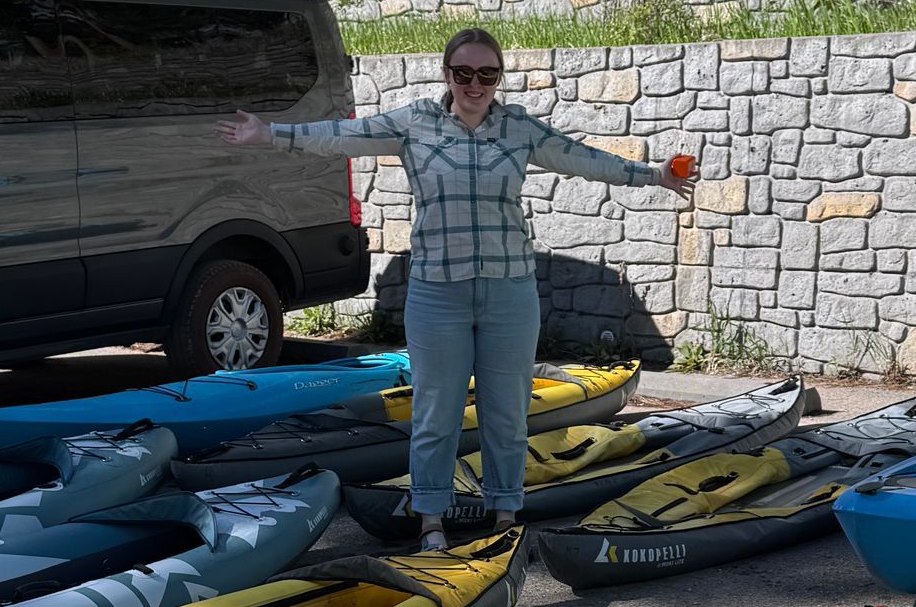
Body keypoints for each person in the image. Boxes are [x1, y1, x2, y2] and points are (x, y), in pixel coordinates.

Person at [220, 29, 693, 549]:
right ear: (446, 74)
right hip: (437, 295)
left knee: (507, 413)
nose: (475, 84)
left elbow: (580, 157)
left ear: (498, 78)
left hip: (509, 294)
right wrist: (269, 134)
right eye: (463, 73)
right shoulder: (413, 123)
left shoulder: (516, 128)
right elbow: (341, 134)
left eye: (487, 74)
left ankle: (505, 517)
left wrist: (654, 175)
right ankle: (430, 521)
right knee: (435, 415)